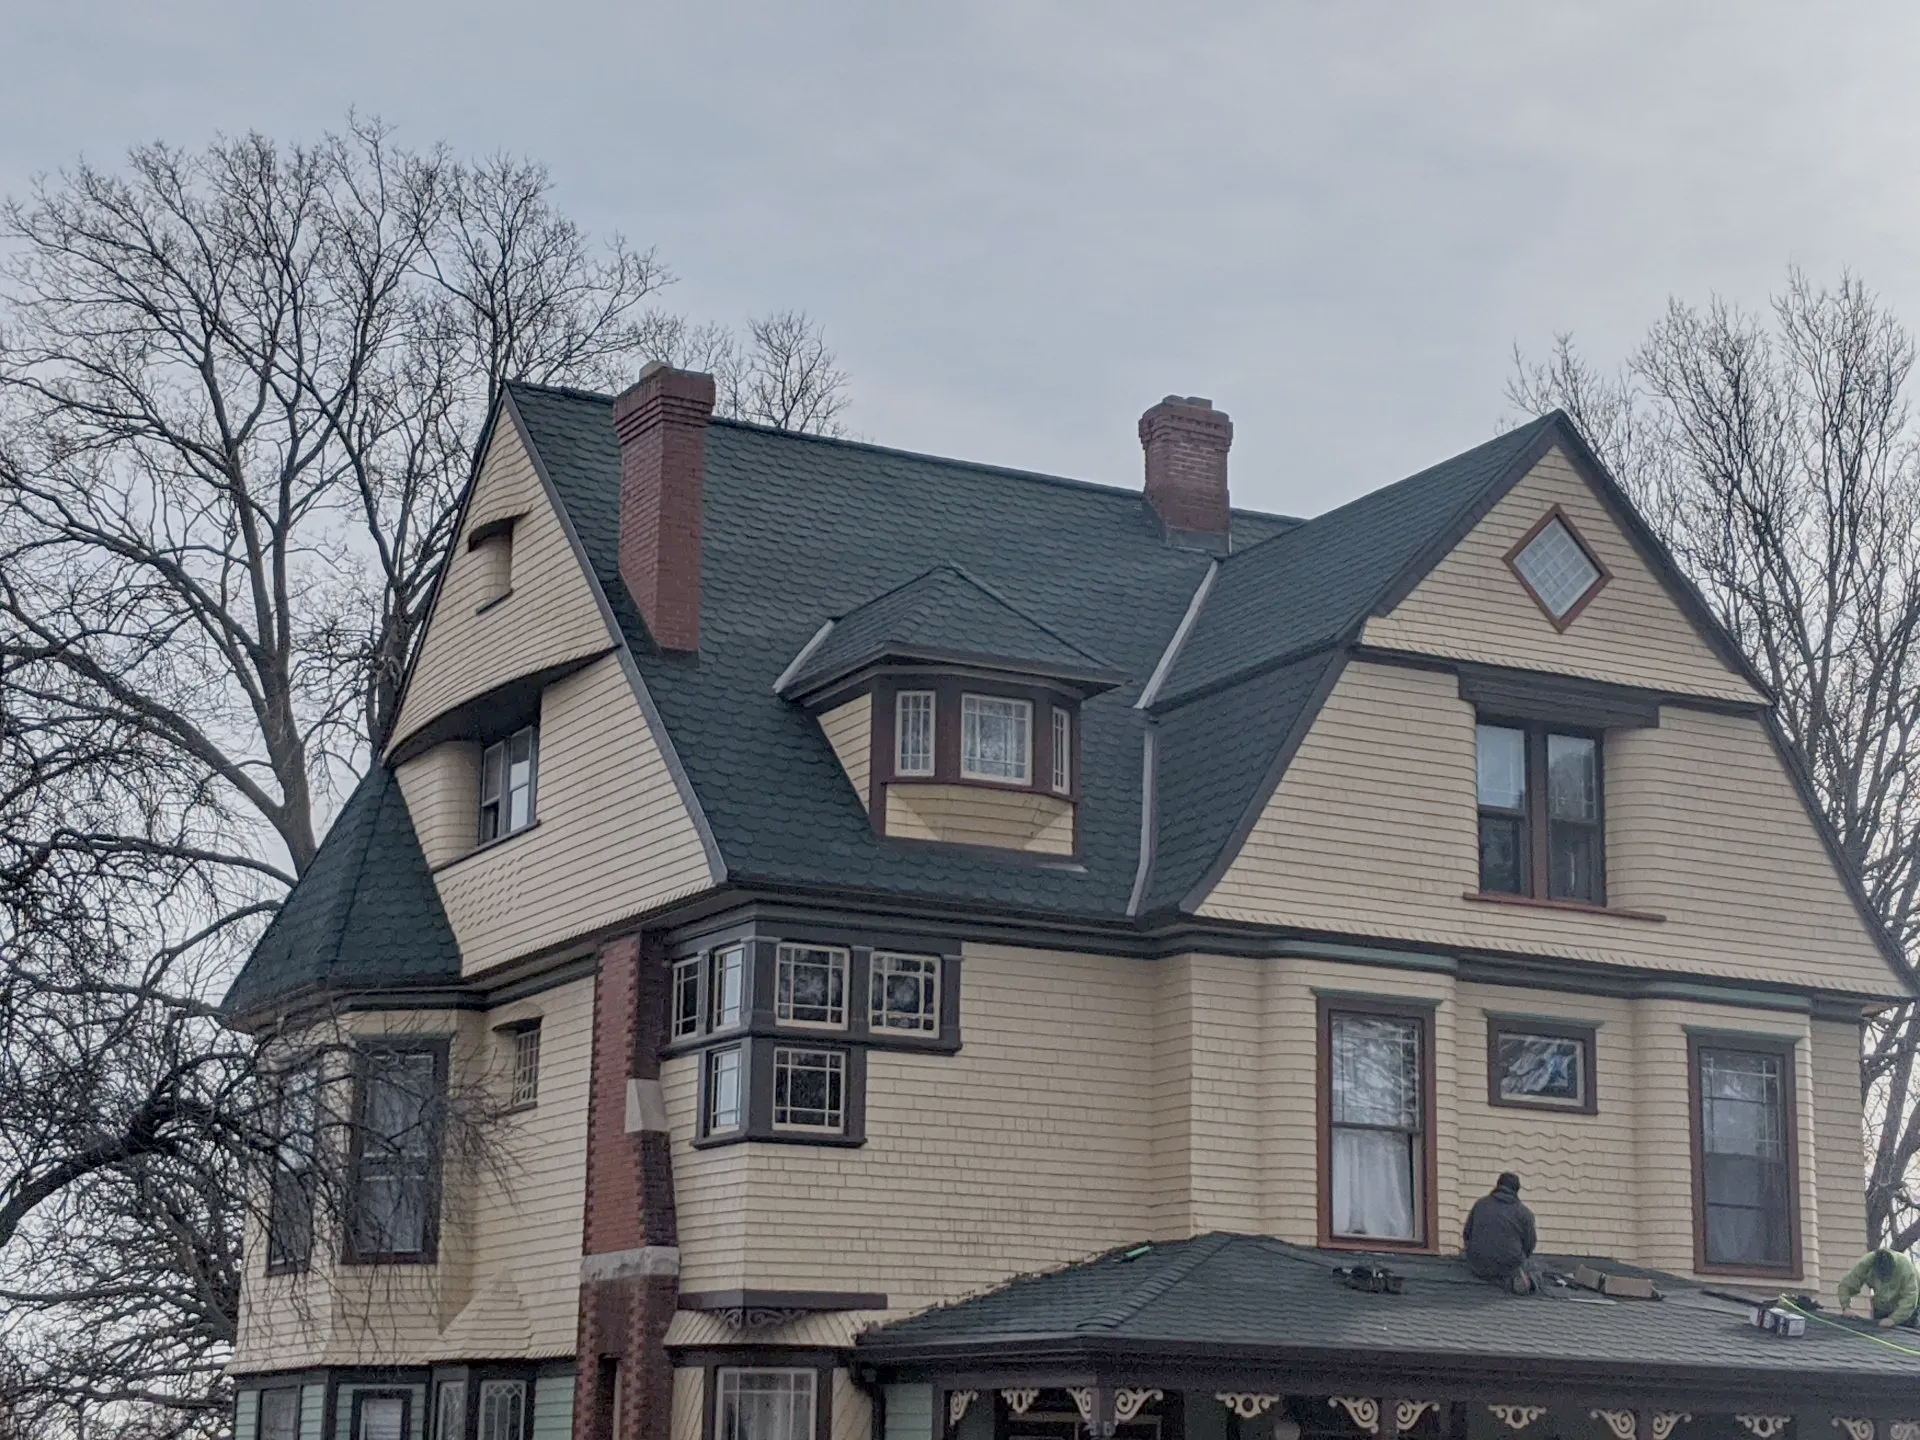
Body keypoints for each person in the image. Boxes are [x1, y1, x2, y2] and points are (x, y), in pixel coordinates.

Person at [1464, 1172, 1538, 1294]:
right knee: (1535, 1268)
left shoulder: (1480, 1205)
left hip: (1477, 1265)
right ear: (1516, 1190)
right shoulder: (1524, 1213)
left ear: (1497, 1185)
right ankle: (1524, 1283)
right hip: (1507, 1267)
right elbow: (1529, 1245)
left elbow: (1467, 1234)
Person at [1837, 1248, 1920, 1328]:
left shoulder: (1905, 1268)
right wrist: (1846, 1307)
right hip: (1882, 1305)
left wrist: (1893, 1320)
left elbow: (1910, 1299)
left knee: (1904, 1336)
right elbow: (1846, 1284)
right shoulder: (1866, 1263)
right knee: (1879, 1332)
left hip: (1908, 1309)